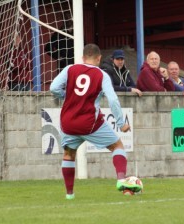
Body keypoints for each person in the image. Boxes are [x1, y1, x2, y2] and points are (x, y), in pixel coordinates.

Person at [50, 44, 141, 200]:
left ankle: (69, 195)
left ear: (83, 58)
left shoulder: (70, 69)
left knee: (69, 154)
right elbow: (113, 99)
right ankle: (120, 180)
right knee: (117, 146)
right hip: (90, 122)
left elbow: (53, 88)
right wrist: (121, 123)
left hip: (68, 122)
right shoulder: (102, 75)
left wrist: (67, 95)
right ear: (99, 58)